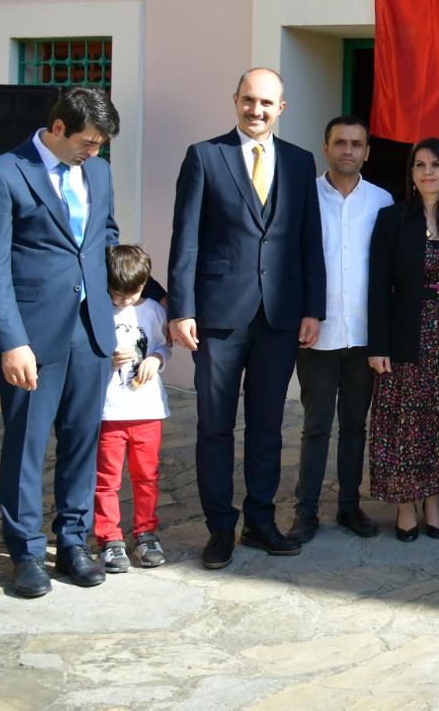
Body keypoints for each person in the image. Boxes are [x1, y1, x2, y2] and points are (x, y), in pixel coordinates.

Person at [168, 68, 324, 569]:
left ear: (282, 108)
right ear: (235, 100)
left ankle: (260, 520)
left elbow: (308, 241)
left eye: (266, 103)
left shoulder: (300, 163)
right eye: (248, 101)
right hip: (218, 316)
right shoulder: (205, 156)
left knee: (267, 424)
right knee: (215, 425)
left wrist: (313, 309)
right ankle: (219, 527)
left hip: (279, 316)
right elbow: (185, 238)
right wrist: (181, 309)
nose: (256, 111)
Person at [0, 88, 122, 597]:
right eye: (88, 142)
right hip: (32, 337)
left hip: (91, 330)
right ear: (57, 128)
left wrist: (127, 310)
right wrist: (10, 341)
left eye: (101, 145)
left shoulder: (97, 171)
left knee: (82, 441)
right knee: (27, 445)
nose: (94, 153)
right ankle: (26, 550)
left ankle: (74, 542)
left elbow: (104, 235)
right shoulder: (2, 172)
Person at [367, 138, 439, 540]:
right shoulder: (391, 219)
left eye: (436, 165)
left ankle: (433, 501)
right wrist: (379, 345)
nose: (428, 172)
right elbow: (378, 287)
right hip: (405, 339)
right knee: (405, 424)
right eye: (420, 165)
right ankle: (406, 504)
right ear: (411, 173)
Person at [291, 116, 394, 544]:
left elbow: (389, 271)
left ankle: (350, 507)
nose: (347, 150)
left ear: (367, 151)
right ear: (326, 148)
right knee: (316, 425)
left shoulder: (383, 201)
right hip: (318, 335)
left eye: (356, 143)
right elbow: (292, 262)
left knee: (356, 426)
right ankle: (306, 512)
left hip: (364, 336)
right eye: (340, 143)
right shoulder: (303, 197)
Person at [94, 244, 172, 573]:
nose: (124, 300)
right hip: (110, 411)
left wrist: (155, 359)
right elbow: (87, 351)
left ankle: (145, 533)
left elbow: (163, 346)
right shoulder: (98, 309)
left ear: (144, 284)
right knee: (106, 479)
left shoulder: (153, 310)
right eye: (117, 293)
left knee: (146, 477)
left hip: (147, 410)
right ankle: (109, 537)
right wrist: (105, 359)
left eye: (132, 293)